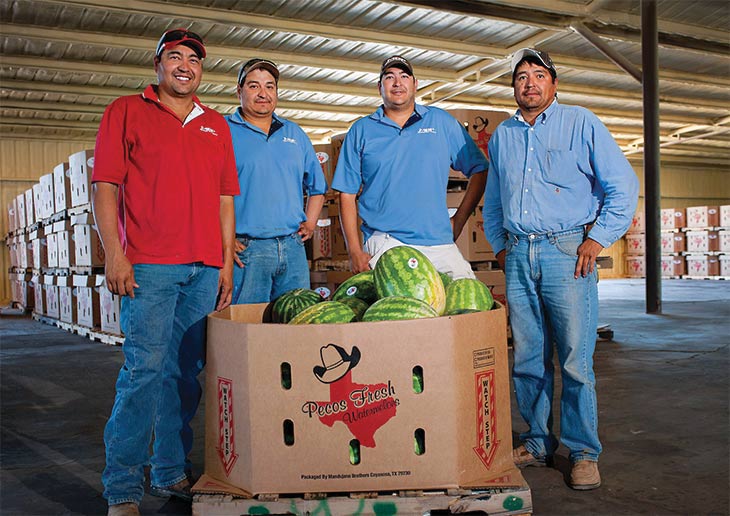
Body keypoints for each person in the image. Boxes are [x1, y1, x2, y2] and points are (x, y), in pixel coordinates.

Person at [91, 28, 239, 516]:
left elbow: (224, 198)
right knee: (143, 373)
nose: (184, 64)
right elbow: (107, 185)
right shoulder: (126, 111)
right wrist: (114, 252)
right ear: (158, 65)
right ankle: (123, 489)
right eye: (174, 56)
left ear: (201, 70)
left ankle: (171, 471)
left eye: (193, 58)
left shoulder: (216, 125)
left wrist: (222, 263)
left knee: (185, 376)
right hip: (149, 267)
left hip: (203, 270)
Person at [483, 48, 639, 490]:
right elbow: (495, 197)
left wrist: (597, 238)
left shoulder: (581, 122)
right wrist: (499, 245)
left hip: (566, 252)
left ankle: (583, 452)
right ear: (513, 87)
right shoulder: (503, 136)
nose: (529, 83)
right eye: (520, 77)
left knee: (574, 359)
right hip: (518, 253)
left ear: (553, 83)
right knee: (528, 357)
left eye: (538, 75)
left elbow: (622, 185)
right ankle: (536, 442)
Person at [332, 55, 488, 277]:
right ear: (380, 87)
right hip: (385, 241)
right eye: (390, 77)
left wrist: (460, 220)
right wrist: (354, 251)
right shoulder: (361, 130)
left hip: (439, 242)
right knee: (399, 311)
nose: (397, 83)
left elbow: (480, 169)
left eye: (404, 76)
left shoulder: (441, 122)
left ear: (415, 84)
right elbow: (346, 194)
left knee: (472, 305)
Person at [225, 58, 327, 303]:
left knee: (295, 324)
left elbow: (318, 187)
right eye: (254, 86)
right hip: (247, 249)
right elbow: (204, 190)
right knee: (248, 327)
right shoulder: (223, 131)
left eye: (270, 87)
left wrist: (310, 224)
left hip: (292, 248)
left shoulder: (295, 133)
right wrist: (223, 240)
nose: (263, 94)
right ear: (239, 91)